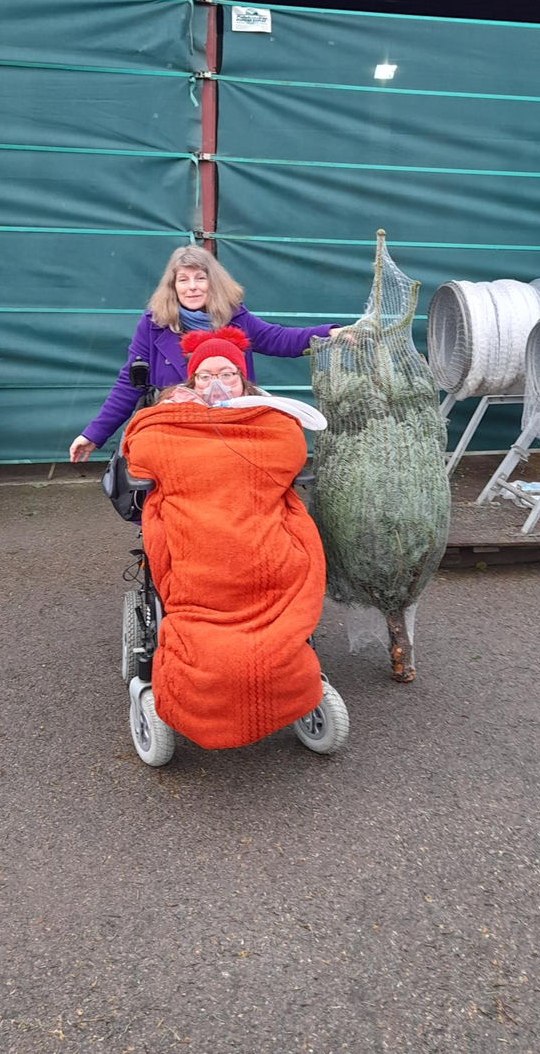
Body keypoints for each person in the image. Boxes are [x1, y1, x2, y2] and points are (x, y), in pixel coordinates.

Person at [122, 328, 327, 749]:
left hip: (261, 542)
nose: (217, 385)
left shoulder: (269, 418)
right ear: (191, 383)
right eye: (205, 377)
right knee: (203, 619)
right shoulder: (172, 416)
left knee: (282, 576)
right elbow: (141, 450)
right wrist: (171, 412)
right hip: (199, 546)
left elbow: (290, 451)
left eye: (228, 374)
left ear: (243, 379)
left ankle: (284, 676)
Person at [69, 245, 339, 461]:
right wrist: (94, 434)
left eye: (200, 278)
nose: (192, 287)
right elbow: (129, 385)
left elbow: (280, 339)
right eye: (183, 280)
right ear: (173, 286)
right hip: (179, 428)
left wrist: (330, 334)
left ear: (213, 283)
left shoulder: (236, 318)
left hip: (232, 425)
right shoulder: (153, 325)